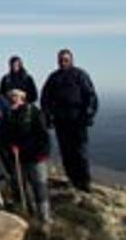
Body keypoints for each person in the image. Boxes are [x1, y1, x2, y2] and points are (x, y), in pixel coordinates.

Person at [41, 49, 98, 192]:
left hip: (78, 120)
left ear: (71, 60)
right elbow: (45, 98)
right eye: (60, 59)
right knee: (66, 152)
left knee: (80, 152)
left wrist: (89, 115)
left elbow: (90, 96)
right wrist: (47, 116)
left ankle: (84, 182)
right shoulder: (53, 77)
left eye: (66, 59)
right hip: (61, 121)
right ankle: (72, 179)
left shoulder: (80, 75)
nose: (63, 62)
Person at [1, 89, 52, 223]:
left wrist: (42, 154)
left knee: (39, 186)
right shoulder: (8, 114)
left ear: (22, 98)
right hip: (18, 158)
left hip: (35, 157)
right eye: (11, 96)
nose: (13, 99)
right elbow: (5, 135)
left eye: (16, 96)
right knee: (20, 186)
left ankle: (44, 216)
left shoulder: (33, 111)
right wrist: (10, 146)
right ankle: (29, 214)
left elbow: (43, 134)